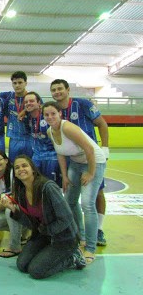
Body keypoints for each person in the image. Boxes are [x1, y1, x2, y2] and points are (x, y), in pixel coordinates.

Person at [0, 155, 85, 279]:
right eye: (17, 168)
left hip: (64, 238)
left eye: (24, 165)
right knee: (22, 265)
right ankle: (48, 253)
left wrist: (46, 231)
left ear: (33, 169)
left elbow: (66, 218)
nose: (20, 169)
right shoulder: (22, 192)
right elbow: (32, 224)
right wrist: (13, 209)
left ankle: (72, 258)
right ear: (15, 174)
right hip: (44, 235)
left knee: (36, 271)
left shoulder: (48, 187)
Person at [43, 101, 106, 264]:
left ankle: (90, 248)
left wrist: (91, 173)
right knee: (69, 201)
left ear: (60, 114)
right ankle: (81, 237)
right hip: (75, 163)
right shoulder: (50, 131)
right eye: (47, 115)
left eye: (53, 114)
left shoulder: (67, 127)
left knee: (87, 203)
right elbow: (61, 154)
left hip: (94, 162)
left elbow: (90, 149)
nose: (50, 117)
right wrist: (64, 176)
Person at [50, 79, 109, 246]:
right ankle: (79, 233)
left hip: (90, 157)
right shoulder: (54, 112)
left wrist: (105, 147)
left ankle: (98, 229)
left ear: (68, 90)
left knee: (96, 193)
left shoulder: (82, 104)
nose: (57, 92)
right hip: (72, 158)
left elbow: (102, 124)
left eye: (60, 89)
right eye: (53, 90)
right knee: (71, 197)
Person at [23, 92, 61, 186]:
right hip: (36, 157)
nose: (28, 103)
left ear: (39, 103)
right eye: (26, 102)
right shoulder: (27, 118)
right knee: (35, 184)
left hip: (52, 157)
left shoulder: (48, 117)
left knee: (51, 185)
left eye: (31, 101)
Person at [0, 71, 32, 162]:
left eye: (20, 82)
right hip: (14, 138)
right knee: (14, 165)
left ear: (26, 83)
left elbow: (41, 109)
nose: (17, 85)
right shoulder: (8, 97)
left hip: (30, 138)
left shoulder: (32, 97)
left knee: (30, 165)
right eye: (15, 83)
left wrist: (25, 110)